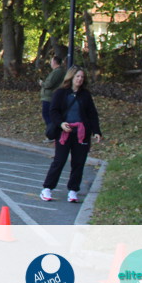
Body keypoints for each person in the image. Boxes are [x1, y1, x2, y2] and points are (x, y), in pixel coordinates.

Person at [40, 66, 102, 203]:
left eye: (82, 77)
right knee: (59, 161)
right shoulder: (60, 93)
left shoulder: (85, 95)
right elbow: (53, 111)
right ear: (71, 77)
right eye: (77, 76)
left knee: (79, 162)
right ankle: (47, 188)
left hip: (81, 133)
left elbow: (92, 114)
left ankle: (73, 190)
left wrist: (96, 131)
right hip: (64, 133)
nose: (80, 79)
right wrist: (61, 123)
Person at [39, 52, 66, 131]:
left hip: (50, 97)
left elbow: (49, 84)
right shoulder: (57, 71)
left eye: (51, 61)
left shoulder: (57, 72)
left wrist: (42, 83)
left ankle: (52, 131)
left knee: (47, 114)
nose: (50, 63)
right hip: (50, 96)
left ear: (54, 62)